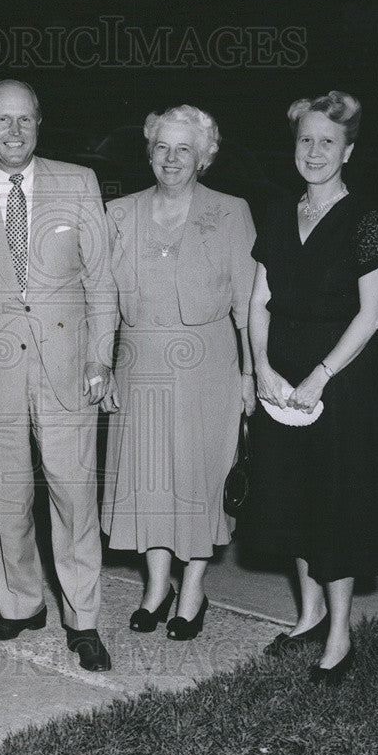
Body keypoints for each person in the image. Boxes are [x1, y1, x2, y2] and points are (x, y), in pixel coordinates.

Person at [0, 79, 117, 672]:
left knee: (73, 492)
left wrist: (100, 358)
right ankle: (21, 603)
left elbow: (102, 282)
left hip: (69, 368)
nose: (14, 131)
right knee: (3, 493)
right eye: (3, 120)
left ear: (40, 124)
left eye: (26, 120)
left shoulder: (78, 183)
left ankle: (82, 619)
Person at [247, 91, 378, 685]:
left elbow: (372, 316)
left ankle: (339, 634)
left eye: (327, 142)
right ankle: (307, 616)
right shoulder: (280, 213)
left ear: (348, 150)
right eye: (305, 139)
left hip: (339, 381)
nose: (314, 152)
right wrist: (261, 367)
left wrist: (319, 377)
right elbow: (257, 300)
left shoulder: (367, 219)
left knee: (335, 506)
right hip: (280, 380)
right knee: (294, 499)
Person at [100, 105, 257, 640]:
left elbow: (249, 303)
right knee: (149, 481)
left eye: (184, 149)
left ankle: (193, 590)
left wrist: (251, 376)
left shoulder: (231, 211)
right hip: (138, 363)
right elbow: (100, 300)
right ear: (149, 152)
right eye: (162, 147)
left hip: (209, 366)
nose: (171, 159)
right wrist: (101, 362)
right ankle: (156, 586)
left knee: (197, 480)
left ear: (204, 157)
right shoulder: (117, 214)